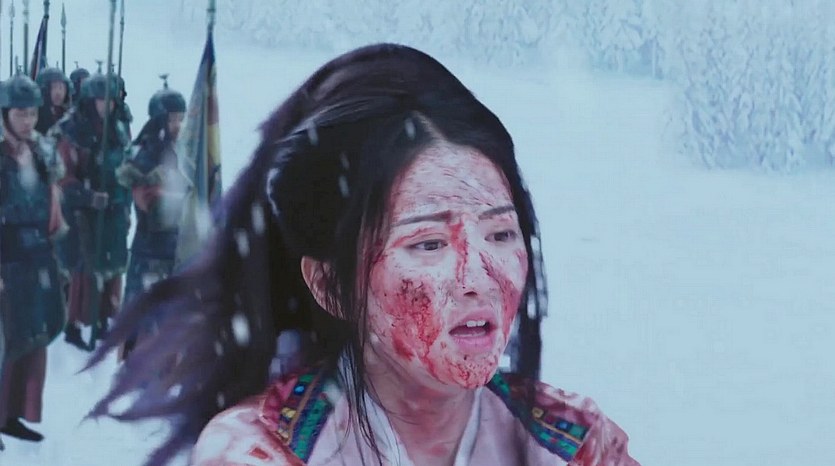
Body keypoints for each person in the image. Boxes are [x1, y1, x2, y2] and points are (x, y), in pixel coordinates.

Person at [89, 44, 639, 465]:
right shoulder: (260, 452)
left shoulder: (578, 444)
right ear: (329, 285)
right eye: (428, 244)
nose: (479, 277)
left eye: (500, 234)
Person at [0, 73, 67, 443]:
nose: (28, 121)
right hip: (6, 258)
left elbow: (52, 200)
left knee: (34, 337)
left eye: (32, 114)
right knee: (6, 342)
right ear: (5, 114)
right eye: (20, 114)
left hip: (38, 254)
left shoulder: (42, 150)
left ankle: (13, 414)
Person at [50, 71, 132, 351]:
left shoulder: (118, 127)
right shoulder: (73, 130)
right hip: (83, 213)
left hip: (113, 209)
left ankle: (105, 317)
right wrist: (87, 196)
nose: (106, 106)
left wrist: (123, 201)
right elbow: (63, 176)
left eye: (110, 100)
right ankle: (75, 325)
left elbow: (125, 164)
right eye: (100, 100)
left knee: (112, 267)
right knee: (84, 271)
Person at [115, 79, 187, 358]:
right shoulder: (144, 154)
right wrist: (180, 196)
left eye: (180, 118)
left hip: (175, 249)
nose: (177, 125)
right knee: (144, 318)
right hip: (150, 250)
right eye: (172, 119)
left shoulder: (183, 151)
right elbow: (151, 205)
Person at [35, 67, 73, 135]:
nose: (58, 93)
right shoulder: (34, 116)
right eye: (54, 87)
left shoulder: (68, 116)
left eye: (61, 88)